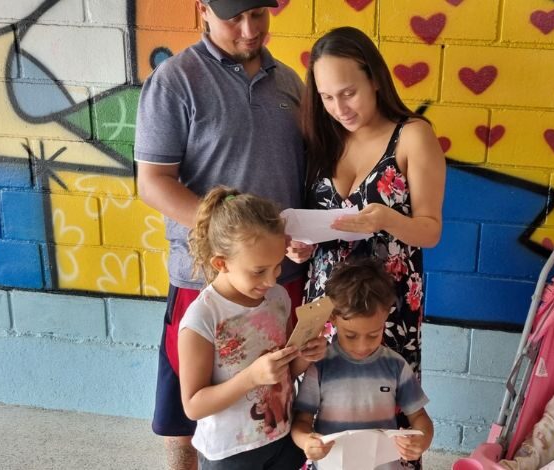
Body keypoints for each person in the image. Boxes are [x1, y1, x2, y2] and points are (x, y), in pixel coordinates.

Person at [134, 0, 306, 468]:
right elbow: (153, 182)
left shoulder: (291, 83)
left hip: (281, 277)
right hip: (205, 280)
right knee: (185, 415)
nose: (250, 30)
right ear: (202, 10)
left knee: (276, 395)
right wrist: (231, 234)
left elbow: (304, 178)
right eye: (234, 17)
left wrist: (306, 230)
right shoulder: (174, 81)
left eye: (259, 14)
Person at [287, 28, 445, 466]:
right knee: (323, 403)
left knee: (389, 405)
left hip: (385, 299)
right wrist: (299, 248)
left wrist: (386, 220)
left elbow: (430, 230)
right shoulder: (323, 137)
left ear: (375, 78)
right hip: (326, 298)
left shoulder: (413, 136)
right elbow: (313, 221)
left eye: (349, 92)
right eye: (327, 97)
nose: (340, 108)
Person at [178, 186, 327, 469]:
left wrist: (305, 357)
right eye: (259, 271)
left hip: (281, 438)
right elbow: (193, 405)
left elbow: (284, 371)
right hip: (230, 452)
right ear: (221, 263)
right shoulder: (203, 317)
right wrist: (250, 378)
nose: (271, 280)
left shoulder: (278, 298)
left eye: (277, 267)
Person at [291, 258, 434, 469]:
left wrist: (421, 441)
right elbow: (301, 422)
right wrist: (306, 442)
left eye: (373, 334)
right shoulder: (319, 366)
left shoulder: (395, 366)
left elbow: (420, 417)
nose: (361, 346)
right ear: (333, 318)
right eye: (350, 335)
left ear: (386, 314)